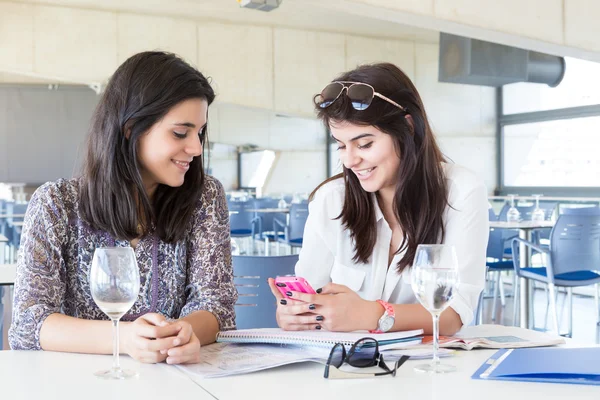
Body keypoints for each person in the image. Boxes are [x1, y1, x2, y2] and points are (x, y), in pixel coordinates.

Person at [9, 51, 237, 364]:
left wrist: (183, 333)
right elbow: (28, 324)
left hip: (174, 382)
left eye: (200, 133)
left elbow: (217, 307)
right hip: (77, 382)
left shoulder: (205, 197)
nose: (196, 148)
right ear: (131, 128)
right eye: (181, 133)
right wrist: (126, 338)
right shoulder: (57, 205)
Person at [268, 63, 488, 335]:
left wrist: (373, 314)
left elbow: (454, 314)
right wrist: (291, 314)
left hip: (423, 368)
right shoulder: (330, 200)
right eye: (340, 145)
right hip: (342, 367)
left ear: (407, 128)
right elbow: (308, 296)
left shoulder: (461, 191)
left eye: (364, 144)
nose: (349, 160)